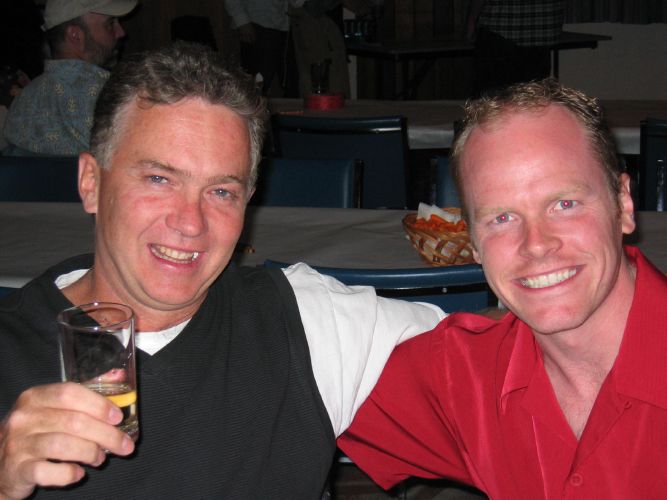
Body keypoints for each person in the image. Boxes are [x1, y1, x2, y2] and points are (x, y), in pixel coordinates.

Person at [0, 42, 444, 498]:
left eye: (221, 192)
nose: (190, 223)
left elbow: (481, 360)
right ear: (91, 183)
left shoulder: (306, 320)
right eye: (159, 179)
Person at [339, 78, 667, 498]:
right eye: (502, 218)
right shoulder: (468, 378)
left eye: (564, 204)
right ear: (473, 242)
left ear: (622, 203)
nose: (536, 244)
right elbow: (291, 361)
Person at [2, 0, 137, 156]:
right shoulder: (111, 97)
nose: (121, 32)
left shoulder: (23, 101)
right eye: (110, 24)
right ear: (75, 35)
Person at [465, 0, 564, 96]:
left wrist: (472, 21)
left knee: (493, 95)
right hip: (542, 28)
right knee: (533, 95)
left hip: (500, 26)